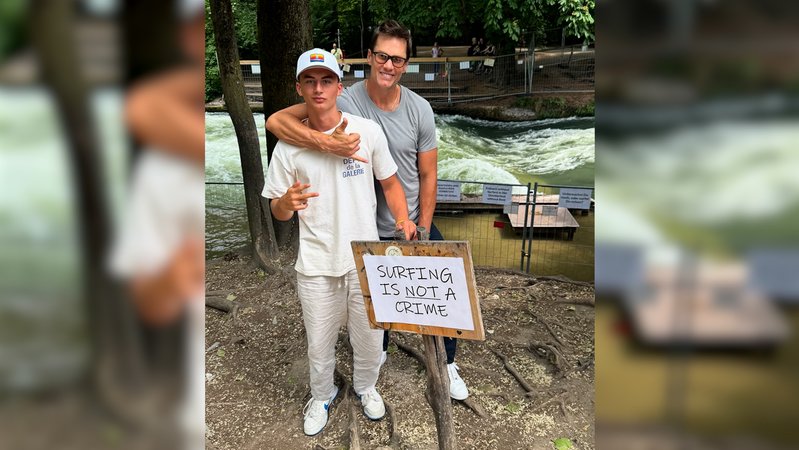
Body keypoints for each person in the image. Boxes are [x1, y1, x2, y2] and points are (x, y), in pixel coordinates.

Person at [266, 20, 470, 401]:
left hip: (408, 217)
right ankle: (376, 360)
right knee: (378, 309)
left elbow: (428, 175)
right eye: (382, 56)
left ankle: (447, 362)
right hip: (365, 226)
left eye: (397, 59)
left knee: (444, 288)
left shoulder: (420, 110)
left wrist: (421, 227)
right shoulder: (345, 99)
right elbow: (277, 121)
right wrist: (327, 145)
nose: (388, 65)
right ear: (370, 57)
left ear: (405, 64)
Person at [262, 48, 417, 436]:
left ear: (339, 87)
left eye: (326, 80)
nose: (318, 89)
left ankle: (366, 387)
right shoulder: (288, 147)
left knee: (371, 338)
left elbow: (390, 183)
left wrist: (403, 218)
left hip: (364, 260)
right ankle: (322, 394)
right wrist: (284, 204)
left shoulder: (367, 132)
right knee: (319, 343)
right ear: (299, 88)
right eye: (310, 81)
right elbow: (278, 211)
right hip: (315, 263)